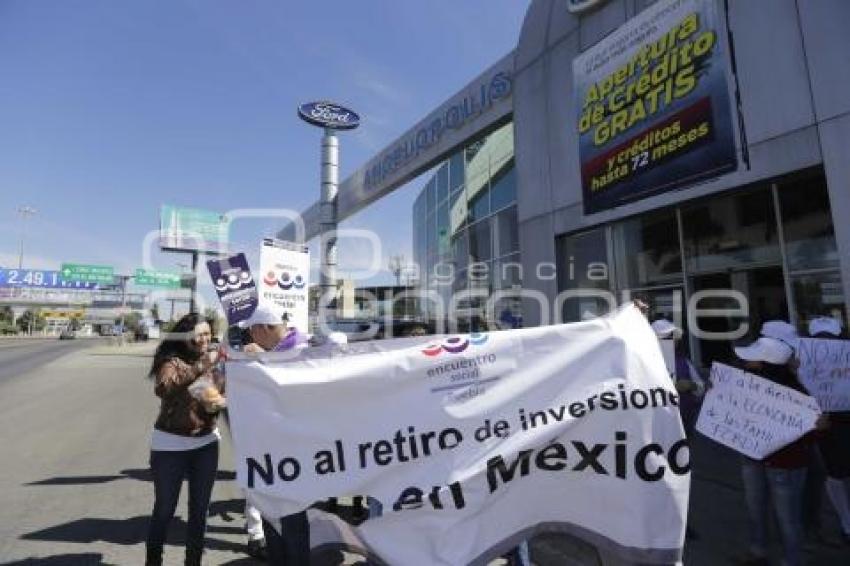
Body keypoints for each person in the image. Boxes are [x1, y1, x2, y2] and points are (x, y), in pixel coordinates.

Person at [145, 313, 225, 566]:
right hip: (170, 444)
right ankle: (153, 560)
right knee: (165, 510)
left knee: (200, 511)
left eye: (207, 334)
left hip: (206, 443)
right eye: (198, 335)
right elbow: (164, 388)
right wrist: (202, 365)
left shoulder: (216, 360)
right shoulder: (171, 361)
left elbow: (219, 393)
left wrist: (218, 404)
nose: (204, 340)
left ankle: (193, 562)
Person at [732, 327, 813, 566]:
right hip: (752, 458)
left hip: (784, 466)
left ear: (766, 364)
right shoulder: (745, 385)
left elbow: (809, 436)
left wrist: (816, 427)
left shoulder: (796, 392)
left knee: (788, 518)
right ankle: (758, 551)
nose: (745, 361)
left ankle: (792, 560)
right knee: (755, 508)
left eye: (753, 358)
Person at [240, 305, 311, 565]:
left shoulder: (304, 347)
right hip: (269, 448)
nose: (250, 338)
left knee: (292, 519)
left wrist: (265, 361)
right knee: (271, 514)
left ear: (263, 329)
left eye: (251, 332)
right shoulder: (275, 350)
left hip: (294, 451)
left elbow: (298, 388)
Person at [806, 316, 850, 544]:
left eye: (830, 339)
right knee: (834, 475)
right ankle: (846, 522)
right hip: (828, 429)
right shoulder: (804, 364)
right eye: (819, 340)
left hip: (840, 424)